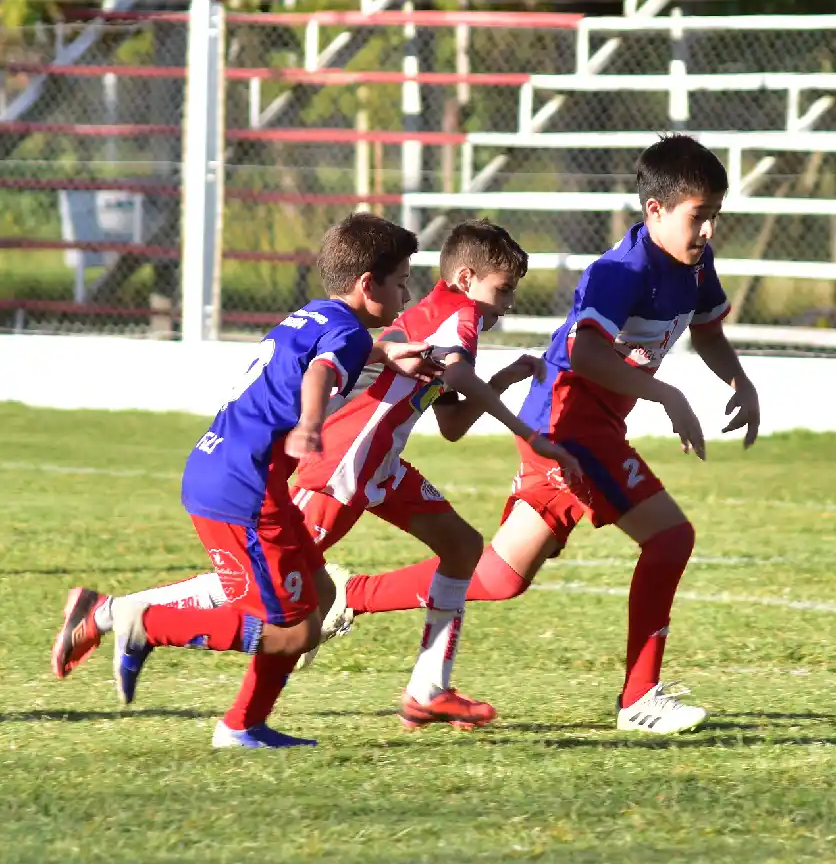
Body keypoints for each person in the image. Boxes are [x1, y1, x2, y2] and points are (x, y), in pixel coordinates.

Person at [295, 134, 761, 734]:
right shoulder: (618, 273)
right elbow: (586, 354)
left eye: (715, 216)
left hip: (575, 424)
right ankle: (640, 699)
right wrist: (665, 394)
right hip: (571, 424)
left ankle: (349, 595)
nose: (709, 231)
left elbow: (708, 332)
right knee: (670, 539)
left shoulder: (695, 265)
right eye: (699, 217)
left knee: (500, 577)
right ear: (656, 211)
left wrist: (739, 382)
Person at [52, 219, 581, 733]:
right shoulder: (458, 313)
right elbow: (442, 375)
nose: (507, 304)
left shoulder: (433, 317)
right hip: (345, 466)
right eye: (504, 290)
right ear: (466, 280)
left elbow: (450, 422)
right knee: (267, 591)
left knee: (461, 547)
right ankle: (114, 614)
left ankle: (427, 691)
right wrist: (528, 433)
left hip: (382, 467)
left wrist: (506, 378)